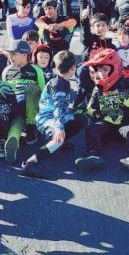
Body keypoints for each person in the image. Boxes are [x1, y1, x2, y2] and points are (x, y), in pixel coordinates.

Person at [22, 51, 87, 179]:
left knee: (81, 118)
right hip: (47, 119)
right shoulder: (59, 85)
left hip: (55, 116)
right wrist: (59, 128)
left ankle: (57, 142)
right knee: (59, 139)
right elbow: (58, 107)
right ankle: (30, 163)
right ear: (73, 67)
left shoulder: (62, 81)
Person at [2, 39, 46, 162]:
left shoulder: (36, 70)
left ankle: (31, 126)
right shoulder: (7, 70)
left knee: (33, 88)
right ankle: (13, 142)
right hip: (15, 106)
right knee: (17, 123)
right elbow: (3, 90)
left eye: (14, 54)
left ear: (24, 55)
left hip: (31, 106)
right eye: (10, 54)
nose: (10, 57)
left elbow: (42, 92)